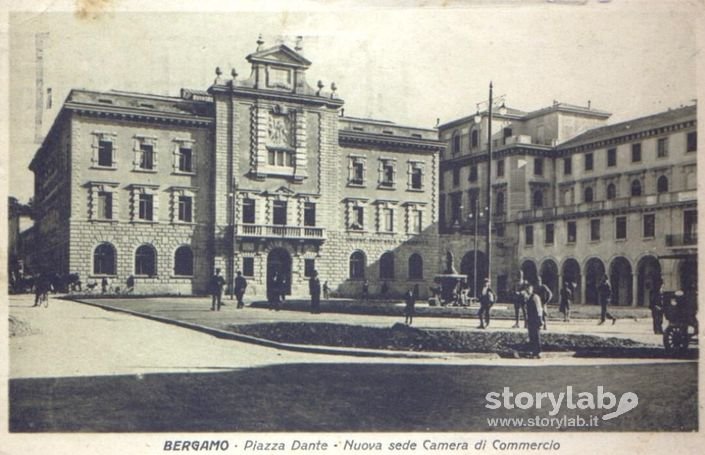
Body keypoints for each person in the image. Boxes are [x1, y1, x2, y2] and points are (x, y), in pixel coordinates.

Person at [524, 282, 544, 359]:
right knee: (531, 335)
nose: (528, 290)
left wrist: (540, 319)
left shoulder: (535, 297)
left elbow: (539, 309)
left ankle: (538, 352)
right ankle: (533, 352)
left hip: (535, 319)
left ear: (532, 289)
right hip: (531, 319)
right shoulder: (528, 297)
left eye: (529, 289)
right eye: (527, 289)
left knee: (536, 336)